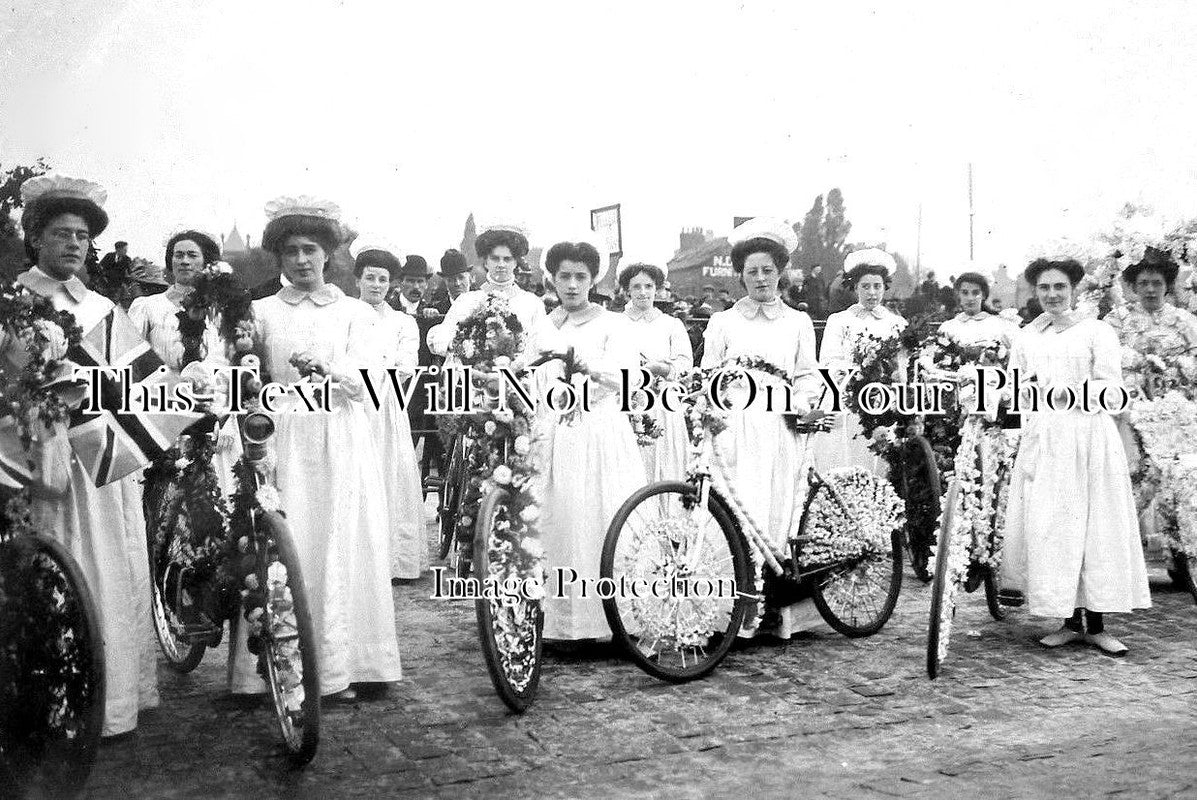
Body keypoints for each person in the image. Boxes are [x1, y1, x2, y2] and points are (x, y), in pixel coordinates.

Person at [237, 195, 401, 700]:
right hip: (282, 440)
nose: (301, 260)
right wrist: (245, 373)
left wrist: (331, 371)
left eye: (310, 249)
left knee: (339, 540)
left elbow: (372, 381)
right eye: (290, 252)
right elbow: (244, 377)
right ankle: (274, 665)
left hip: (340, 436)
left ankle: (342, 666)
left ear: (329, 254)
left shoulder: (355, 313)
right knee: (286, 538)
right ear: (278, 258)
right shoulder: (260, 311)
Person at [14, 173, 159, 736]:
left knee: (111, 561)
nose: (73, 244)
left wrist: (186, 391)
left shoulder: (101, 305)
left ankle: (113, 699)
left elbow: (142, 382)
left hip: (103, 459)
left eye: (81, 235)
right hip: (43, 461)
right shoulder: (16, 303)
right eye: (60, 233)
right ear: (36, 239)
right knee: (57, 560)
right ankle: (57, 704)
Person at [1002, 258, 1150, 656]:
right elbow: (1015, 387)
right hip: (1046, 441)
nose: (1052, 295)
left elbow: (1111, 386)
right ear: (1035, 292)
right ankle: (1067, 621)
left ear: (1074, 290)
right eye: (1045, 288)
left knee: (1094, 526)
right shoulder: (1027, 336)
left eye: (1060, 287)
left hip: (1088, 437)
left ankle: (1098, 625)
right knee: (1055, 526)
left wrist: (1071, 396)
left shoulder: (1096, 331)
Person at [701, 217, 822, 638]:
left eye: (768, 270)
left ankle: (776, 611)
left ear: (780, 273)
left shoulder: (797, 322)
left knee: (777, 508)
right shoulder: (723, 323)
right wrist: (711, 413)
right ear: (740, 276)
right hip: (735, 428)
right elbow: (709, 376)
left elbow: (808, 374)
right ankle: (734, 616)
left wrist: (805, 405)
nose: (760, 279)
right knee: (735, 509)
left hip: (778, 429)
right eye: (751, 271)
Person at [536, 235, 646, 642]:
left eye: (580, 276)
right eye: (563, 276)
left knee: (598, 512)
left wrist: (583, 370)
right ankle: (564, 622)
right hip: (554, 430)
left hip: (598, 430)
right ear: (553, 279)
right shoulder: (544, 325)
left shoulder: (612, 324)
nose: (571, 284)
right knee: (561, 514)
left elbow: (626, 378)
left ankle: (609, 623)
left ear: (593, 279)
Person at [351, 236, 428, 582]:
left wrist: (393, 369)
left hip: (387, 404)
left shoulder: (402, 322)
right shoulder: (346, 315)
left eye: (383, 279)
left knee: (390, 473)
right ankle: (357, 558)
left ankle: (394, 559)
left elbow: (407, 360)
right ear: (358, 280)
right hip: (352, 401)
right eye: (370, 277)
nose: (377, 285)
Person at [817, 248, 907, 473]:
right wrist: (859, 374)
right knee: (845, 452)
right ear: (855, 287)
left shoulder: (896, 323)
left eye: (877, 286)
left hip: (884, 397)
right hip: (847, 394)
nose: (872, 293)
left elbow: (902, 365)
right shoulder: (839, 321)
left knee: (881, 455)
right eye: (865, 286)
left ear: (884, 288)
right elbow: (829, 361)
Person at [618, 259, 693, 482]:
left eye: (648, 286)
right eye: (636, 286)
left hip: (663, 404)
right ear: (627, 290)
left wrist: (661, 368)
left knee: (665, 464)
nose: (643, 292)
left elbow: (685, 365)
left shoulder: (671, 325)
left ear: (657, 288)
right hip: (627, 402)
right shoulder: (616, 323)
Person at [392, 254, 447, 474]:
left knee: (433, 451)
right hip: (399, 391)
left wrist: (434, 319)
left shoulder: (431, 311)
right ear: (400, 282)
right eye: (411, 281)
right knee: (400, 452)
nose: (416, 286)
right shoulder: (390, 309)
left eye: (421, 282)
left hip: (425, 390)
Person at [938, 272, 1019, 347]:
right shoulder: (948, 327)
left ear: (983, 295)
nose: (970, 298)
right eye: (965, 293)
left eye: (975, 293)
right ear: (958, 295)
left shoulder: (1001, 326)